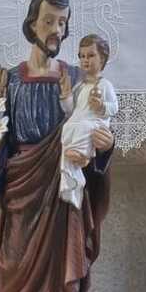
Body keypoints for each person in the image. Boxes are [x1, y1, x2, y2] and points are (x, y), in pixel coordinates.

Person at [0, 0, 114, 292]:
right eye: (49, 21)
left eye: (62, 22)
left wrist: (104, 148)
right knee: (14, 264)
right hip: (23, 185)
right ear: (32, 24)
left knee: (60, 263)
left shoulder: (77, 79)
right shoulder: (11, 80)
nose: (56, 29)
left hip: (62, 186)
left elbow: (95, 128)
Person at [59, 34, 118, 211]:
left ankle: (83, 156)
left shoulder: (105, 85)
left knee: (83, 128)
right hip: (78, 121)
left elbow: (114, 107)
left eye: (91, 55)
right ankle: (70, 177)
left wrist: (101, 106)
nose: (86, 60)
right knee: (67, 128)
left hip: (94, 123)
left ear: (103, 59)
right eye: (82, 56)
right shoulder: (80, 85)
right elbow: (70, 110)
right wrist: (66, 94)